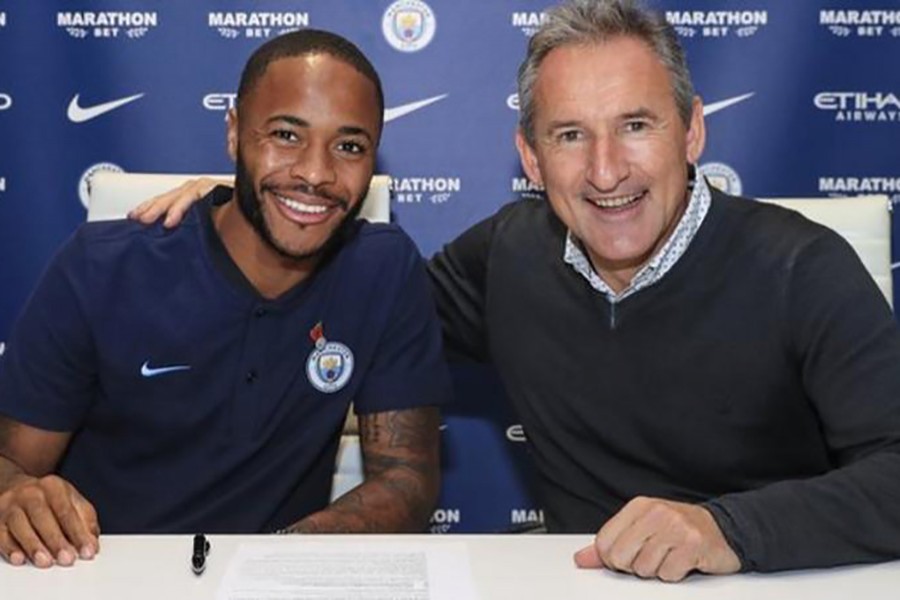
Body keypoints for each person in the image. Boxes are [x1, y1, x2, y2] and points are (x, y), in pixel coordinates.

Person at [131, 0, 900, 582]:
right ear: (529, 156)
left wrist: (727, 530)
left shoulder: (804, 267)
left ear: (692, 132)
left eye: (635, 125)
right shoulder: (510, 255)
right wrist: (249, 210)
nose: (606, 171)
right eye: (569, 135)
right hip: (576, 584)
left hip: (777, 584)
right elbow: (364, 309)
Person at [0, 29, 452, 569]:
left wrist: (269, 563)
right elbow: (10, 462)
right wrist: (16, 494)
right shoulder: (101, 267)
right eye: (286, 135)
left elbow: (407, 478)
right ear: (235, 134)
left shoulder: (383, 269)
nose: (315, 172)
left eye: (349, 146)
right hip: (96, 572)